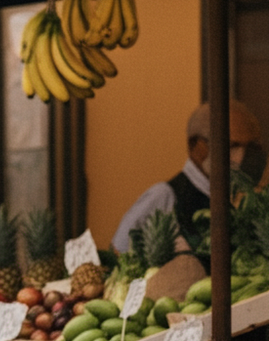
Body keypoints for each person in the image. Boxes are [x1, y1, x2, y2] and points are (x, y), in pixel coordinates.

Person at [112, 99, 262, 252]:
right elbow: (119, 252)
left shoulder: (239, 198)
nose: (240, 158)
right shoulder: (165, 196)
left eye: (249, 148)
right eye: (231, 146)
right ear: (197, 146)